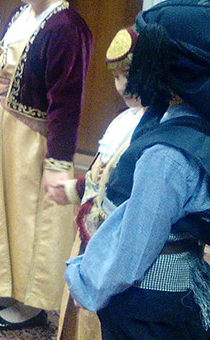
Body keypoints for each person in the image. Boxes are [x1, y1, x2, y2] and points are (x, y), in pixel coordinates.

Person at [65, 0, 210, 339]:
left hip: (147, 305)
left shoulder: (166, 155)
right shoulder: (193, 122)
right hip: (175, 292)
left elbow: (133, 250)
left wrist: (89, 284)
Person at [0, 0, 93, 331]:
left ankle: (31, 303)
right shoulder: (19, 15)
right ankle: (4, 287)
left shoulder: (68, 28)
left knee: (29, 217)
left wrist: (58, 163)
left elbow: (67, 102)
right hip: (3, 130)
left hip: (33, 141)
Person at [56, 26, 145, 340]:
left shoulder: (152, 129)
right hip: (92, 239)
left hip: (113, 250)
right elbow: (100, 176)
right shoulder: (124, 118)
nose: (123, 86)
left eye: (130, 75)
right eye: (117, 77)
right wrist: (73, 189)